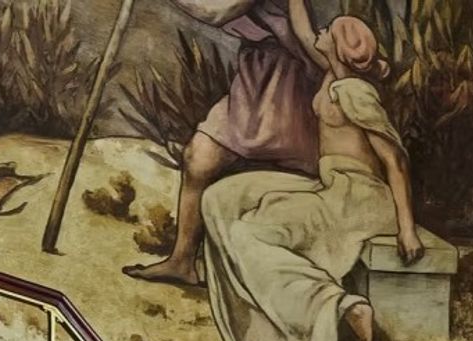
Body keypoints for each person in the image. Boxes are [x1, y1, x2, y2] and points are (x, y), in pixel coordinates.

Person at [199, 8, 424, 341]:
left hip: (358, 200)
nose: (318, 33)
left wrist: (407, 229)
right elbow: (304, 31)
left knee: (250, 235)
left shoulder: (354, 92)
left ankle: (333, 306)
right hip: (332, 185)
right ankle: (270, 299)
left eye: (329, 32)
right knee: (222, 197)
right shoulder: (331, 74)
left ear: (337, 49)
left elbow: (395, 161)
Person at [125, 0, 326, 287]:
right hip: (255, 73)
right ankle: (182, 262)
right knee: (199, 159)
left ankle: (298, 281)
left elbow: (216, 12)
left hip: (287, 81)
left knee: (300, 172)